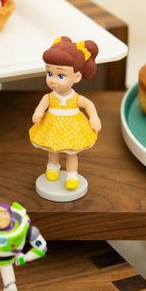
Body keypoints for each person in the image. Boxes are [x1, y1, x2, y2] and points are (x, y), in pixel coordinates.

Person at [29, 36, 102, 190]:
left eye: (60, 76)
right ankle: (52, 167)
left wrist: (94, 117)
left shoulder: (75, 98)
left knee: (71, 153)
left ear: (77, 77)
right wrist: (38, 113)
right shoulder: (49, 97)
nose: (53, 80)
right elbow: (41, 107)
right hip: (52, 127)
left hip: (72, 128)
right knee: (52, 150)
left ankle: (72, 175)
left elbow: (89, 104)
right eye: (49, 73)